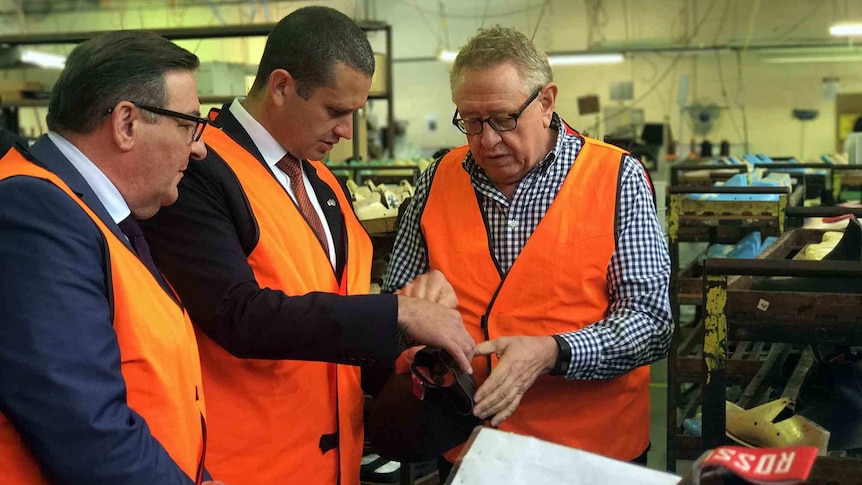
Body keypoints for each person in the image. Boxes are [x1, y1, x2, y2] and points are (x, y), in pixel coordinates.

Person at [139, 6, 475, 485]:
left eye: (355, 113)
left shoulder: (320, 182)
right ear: (280, 87)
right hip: (245, 467)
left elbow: (331, 301)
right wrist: (395, 314)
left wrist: (408, 343)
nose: (347, 131)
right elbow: (239, 314)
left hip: (333, 464)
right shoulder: (198, 172)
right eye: (335, 111)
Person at [383, 26, 673, 476]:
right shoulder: (437, 180)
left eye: (502, 119)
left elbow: (652, 323)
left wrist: (554, 352)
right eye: (471, 122)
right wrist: (414, 306)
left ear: (546, 101)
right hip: (472, 449)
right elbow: (394, 308)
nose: (486, 141)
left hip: (591, 454)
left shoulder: (618, 179)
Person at [0, 31, 220, 484]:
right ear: (126, 124)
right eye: (188, 124)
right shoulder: (35, 215)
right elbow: (87, 431)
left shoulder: (90, 214)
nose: (198, 147)